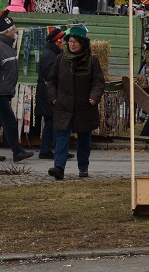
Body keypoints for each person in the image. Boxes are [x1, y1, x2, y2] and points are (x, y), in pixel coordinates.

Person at [46, 25, 104, 180]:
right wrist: (54, 98)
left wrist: (94, 97)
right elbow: (51, 80)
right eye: (70, 41)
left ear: (83, 44)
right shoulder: (61, 59)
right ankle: (59, 168)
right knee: (62, 136)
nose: (72, 44)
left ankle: (83, 167)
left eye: (75, 42)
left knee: (84, 138)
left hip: (84, 107)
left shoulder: (92, 60)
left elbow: (98, 82)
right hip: (63, 106)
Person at [0, 10, 34, 162]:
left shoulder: (7, 46)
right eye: (14, 29)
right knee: (9, 121)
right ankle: (17, 151)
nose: (16, 31)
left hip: (3, 91)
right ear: (7, 32)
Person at [36, 27, 66, 160]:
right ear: (57, 42)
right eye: (63, 41)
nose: (65, 44)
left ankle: (52, 148)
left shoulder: (51, 54)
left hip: (48, 93)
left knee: (52, 122)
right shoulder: (50, 56)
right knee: (51, 122)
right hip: (48, 94)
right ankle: (47, 150)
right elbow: (50, 77)